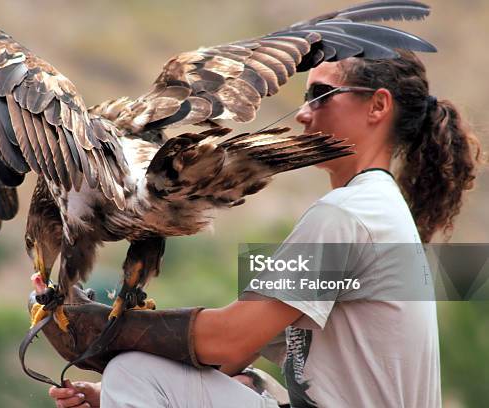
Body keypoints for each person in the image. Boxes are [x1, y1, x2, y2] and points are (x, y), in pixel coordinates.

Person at [45, 50, 482, 407]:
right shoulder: (376, 209)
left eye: (321, 96)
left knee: (133, 370)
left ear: (378, 106)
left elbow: (229, 340)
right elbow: (238, 355)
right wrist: (112, 397)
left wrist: (109, 331)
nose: (303, 116)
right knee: (230, 381)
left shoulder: (348, 215)